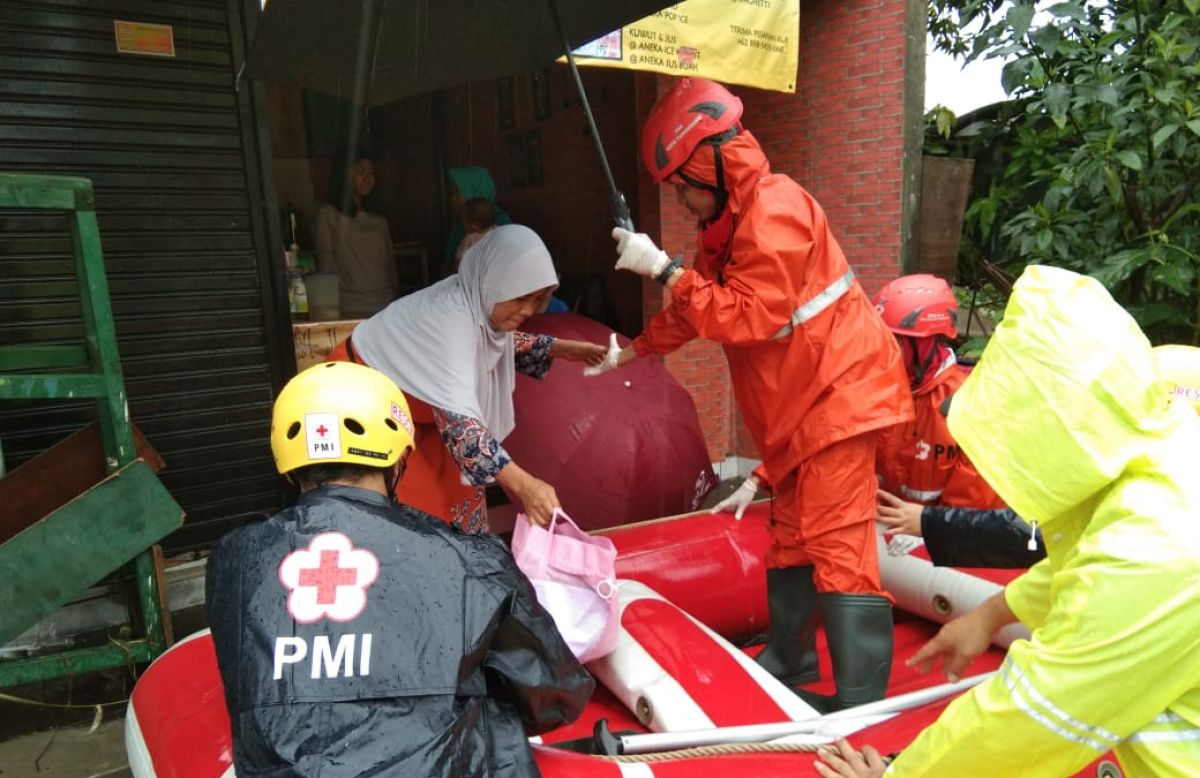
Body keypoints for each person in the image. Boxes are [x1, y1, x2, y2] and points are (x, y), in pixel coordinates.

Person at [587, 78, 913, 710]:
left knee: (838, 546)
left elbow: (747, 317)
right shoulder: (730, 226)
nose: (680, 202)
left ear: (709, 162)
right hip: (801, 414)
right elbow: (694, 313)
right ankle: (790, 662)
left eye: (682, 186)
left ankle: (862, 706)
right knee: (790, 539)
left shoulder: (775, 208)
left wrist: (662, 269)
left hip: (839, 401)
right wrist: (631, 350)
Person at [814, 266, 1200, 778]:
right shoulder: (1159, 448)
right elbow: (1087, 563)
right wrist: (991, 615)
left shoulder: (1157, 550)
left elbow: (1034, 716)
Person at [205, 361, 594, 778]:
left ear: (288, 463)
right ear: (400, 460)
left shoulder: (234, 561)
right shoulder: (467, 557)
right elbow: (557, 695)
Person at [328, 225, 607, 533]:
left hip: (425, 410)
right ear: (492, 285)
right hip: (364, 403)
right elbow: (463, 430)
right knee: (404, 516)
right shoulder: (451, 322)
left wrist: (564, 349)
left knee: (456, 499)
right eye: (519, 298)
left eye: (538, 299)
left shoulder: (477, 306)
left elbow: (494, 342)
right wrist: (525, 486)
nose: (528, 310)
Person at [872, 274, 1043, 569]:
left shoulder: (971, 398)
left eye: (895, 341)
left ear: (925, 344)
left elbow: (975, 488)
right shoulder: (882, 389)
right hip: (891, 525)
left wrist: (933, 528)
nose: (882, 352)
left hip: (950, 537)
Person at [313, 150, 400, 318]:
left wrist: (394, 297)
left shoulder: (379, 219)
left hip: (385, 304)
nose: (368, 178)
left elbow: (390, 264)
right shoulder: (329, 215)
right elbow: (326, 263)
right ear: (344, 175)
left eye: (371, 173)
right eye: (361, 172)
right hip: (351, 306)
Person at [444, 166, 512, 270]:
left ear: (474, 191)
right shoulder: (460, 223)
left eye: (458, 193)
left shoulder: (503, 223)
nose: (453, 198)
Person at [453, 197, 496, 269]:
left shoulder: (469, 239)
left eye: (463, 221)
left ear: (474, 226)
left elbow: (458, 262)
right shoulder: (497, 231)